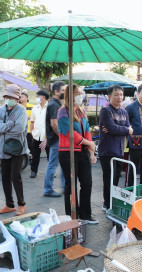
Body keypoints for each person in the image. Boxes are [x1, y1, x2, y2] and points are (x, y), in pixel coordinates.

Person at [57, 84, 98, 224]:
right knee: (71, 185)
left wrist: (91, 152)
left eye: (81, 92)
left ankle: (86, 214)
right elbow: (70, 134)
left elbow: (87, 133)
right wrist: (89, 143)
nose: (80, 95)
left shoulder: (81, 112)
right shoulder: (63, 112)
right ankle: (71, 214)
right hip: (67, 153)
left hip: (83, 152)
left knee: (87, 183)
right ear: (70, 95)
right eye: (77, 93)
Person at [0, 84, 28, 216]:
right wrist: (9, 125)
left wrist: (4, 129)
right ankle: (9, 204)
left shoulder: (21, 111)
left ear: (17, 98)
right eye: (7, 97)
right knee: (5, 177)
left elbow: (19, 130)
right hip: (3, 149)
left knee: (15, 176)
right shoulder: (1, 110)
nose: (9, 99)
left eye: (11, 97)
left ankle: (21, 204)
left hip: (18, 149)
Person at [98, 85, 132, 211]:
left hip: (119, 150)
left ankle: (113, 201)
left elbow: (128, 129)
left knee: (117, 177)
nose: (119, 97)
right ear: (109, 96)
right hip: (107, 151)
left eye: (121, 95)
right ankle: (107, 203)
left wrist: (121, 129)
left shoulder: (124, 112)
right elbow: (113, 129)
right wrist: (125, 130)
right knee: (108, 178)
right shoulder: (105, 111)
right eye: (116, 94)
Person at [43, 81, 66, 197]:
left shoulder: (56, 103)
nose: (64, 93)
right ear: (56, 91)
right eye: (63, 91)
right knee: (53, 164)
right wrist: (62, 137)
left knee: (62, 163)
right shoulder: (54, 105)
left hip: (57, 138)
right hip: (56, 139)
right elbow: (54, 124)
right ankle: (48, 189)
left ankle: (65, 186)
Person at [29, 90, 50, 178]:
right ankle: (33, 171)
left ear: (43, 97)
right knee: (35, 155)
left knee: (50, 156)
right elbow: (32, 121)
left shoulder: (50, 107)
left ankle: (51, 172)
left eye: (38, 96)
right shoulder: (35, 108)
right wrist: (31, 132)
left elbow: (52, 123)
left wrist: (47, 136)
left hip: (48, 137)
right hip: (36, 136)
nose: (37, 98)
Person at [19, 90, 34, 155]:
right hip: (20, 130)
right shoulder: (17, 107)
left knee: (31, 146)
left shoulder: (32, 107)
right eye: (19, 97)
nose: (20, 98)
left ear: (27, 98)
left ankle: (31, 157)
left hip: (30, 131)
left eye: (22, 97)